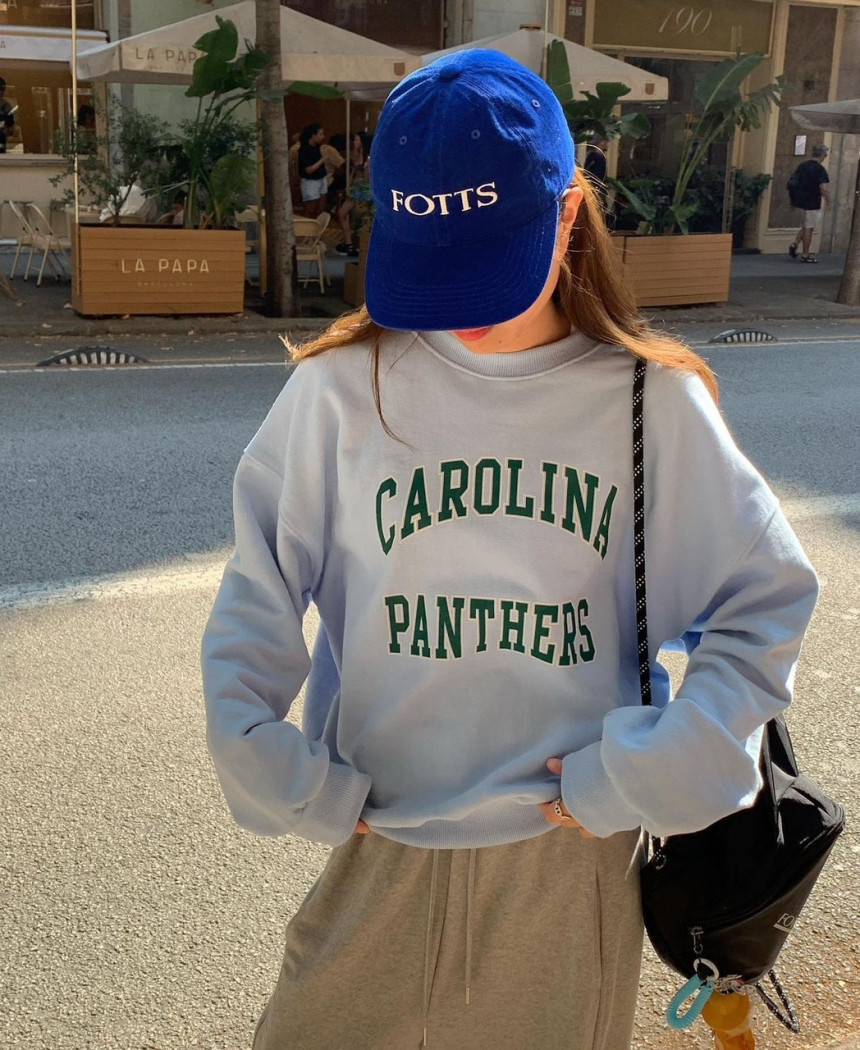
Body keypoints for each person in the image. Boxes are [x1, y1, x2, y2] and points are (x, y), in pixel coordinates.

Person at [202, 50, 818, 1050]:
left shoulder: (650, 403)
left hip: (568, 867)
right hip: (381, 842)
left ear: (568, 212)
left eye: (491, 263)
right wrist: (268, 763)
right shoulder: (342, 390)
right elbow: (257, 587)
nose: (464, 307)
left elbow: (766, 598)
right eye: (434, 264)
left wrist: (649, 773)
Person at [788, 143, 830, 263]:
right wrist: (829, 201)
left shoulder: (802, 166)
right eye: (825, 155)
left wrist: (793, 201)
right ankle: (805, 254)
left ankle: (795, 243)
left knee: (806, 225)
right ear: (822, 154)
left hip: (800, 201)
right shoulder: (820, 169)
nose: (825, 157)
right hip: (812, 202)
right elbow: (823, 188)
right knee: (809, 228)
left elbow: (793, 182)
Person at [297, 122, 328, 219]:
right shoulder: (304, 149)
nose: (323, 137)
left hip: (321, 178)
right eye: (320, 134)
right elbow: (308, 170)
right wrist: (322, 160)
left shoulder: (317, 147)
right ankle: (308, 227)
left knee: (320, 208)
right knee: (310, 209)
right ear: (313, 135)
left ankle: (319, 227)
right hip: (310, 181)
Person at [0, 76, 16, 154]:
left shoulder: (6, 106)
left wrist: (7, 129)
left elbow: (10, 130)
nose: (1, 92)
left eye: (2, 89)